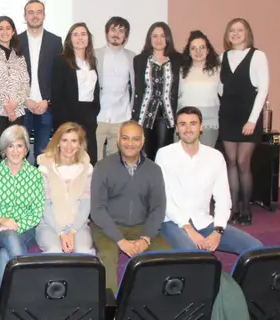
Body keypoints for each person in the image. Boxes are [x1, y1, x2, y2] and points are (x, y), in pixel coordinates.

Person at [156, 106, 263, 253]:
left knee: (255, 248)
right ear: (177, 129)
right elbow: (163, 199)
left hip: (204, 223)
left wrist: (218, 231)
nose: (188, 129)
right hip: (173, 223)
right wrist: (189, 230)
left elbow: (223, 198)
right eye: (182, 124)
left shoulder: (215, 156)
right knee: (194, 253)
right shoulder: (164, 154)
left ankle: (233, 277)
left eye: (193, 124)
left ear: (201, 128)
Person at [90, 120, 171, 292]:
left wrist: (146, 237)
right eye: (125, 138)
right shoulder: (103, 166)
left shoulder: (154, 169)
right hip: (108, 227)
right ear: (118, 140)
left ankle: (157, 303)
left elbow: (158, 207)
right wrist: (120, 240)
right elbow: (97, 209)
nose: (130, 143)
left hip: (142, 226)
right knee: (107, 256)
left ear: (142, 141)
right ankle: (108, 307)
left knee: (166, 255)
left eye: (135, 139)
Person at [219, 18, 269, 225]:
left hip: (249, 117)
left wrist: (252, 120)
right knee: (230, 162)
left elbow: (263, 90)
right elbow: (220, 89)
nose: (236, 33)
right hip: (228, 116)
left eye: (240, 30)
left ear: (247, 33)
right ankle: (233, 209)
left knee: (242, 163)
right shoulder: (222, 57)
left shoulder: (257, 55)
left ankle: (246, 208)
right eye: (232, 30)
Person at [0, 124, 43, 294]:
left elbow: (37, 211)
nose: (15, 151)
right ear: (4, 149)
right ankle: (27, 290)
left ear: (26, 149)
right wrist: (3, 220)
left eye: (19, 145)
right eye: (10, 146)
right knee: (9, 236)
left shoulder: (35, 175)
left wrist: (18, 225)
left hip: (26, 231)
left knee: (5, 253)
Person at [35, 122, 94, 255]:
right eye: (64, 140)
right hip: (49, 225)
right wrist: (61, 233)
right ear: (58, 143)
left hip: (78, 226)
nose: (69, 146)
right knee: (54, 252)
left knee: (84, 252)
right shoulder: (44, 168)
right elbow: (45, 206)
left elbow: (85, 204)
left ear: (79, 144)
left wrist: (72, 232)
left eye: (74, 141)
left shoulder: (87, 169)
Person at [18, 0, 63, 158]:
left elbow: (58, 76)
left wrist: (47, 100)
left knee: (43, 155)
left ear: (44, 15)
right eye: (30, 12)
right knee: (19, 153)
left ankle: (42, 184)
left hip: (46, 107)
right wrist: (25, 99)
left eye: (39, 12)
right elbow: (12, 76)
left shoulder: (55, 41)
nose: (35, 16)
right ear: (25, 16)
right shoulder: (16, 41)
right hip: (23, 106)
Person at [0, 15, 30, 164]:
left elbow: (25, 83)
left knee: (16, 153)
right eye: (0, 28)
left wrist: (16, 103)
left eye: (8, 28)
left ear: (13, 31)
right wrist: (7, 106)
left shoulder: (19, 56)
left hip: (17, 111)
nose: (4, 31)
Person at [50, 22, 100, 164]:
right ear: (69, 39)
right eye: (75, 34)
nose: (80, 38)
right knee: (68, 159)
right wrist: (63, 123)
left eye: (83, 34)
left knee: (89, 160)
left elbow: (95, 90)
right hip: (68, 118)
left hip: (89, 118)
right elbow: (57, 94)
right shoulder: (61, 60)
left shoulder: (92, 62)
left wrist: (93, 112)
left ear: (89, 38)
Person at [131, 22, 181, 160]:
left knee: (163, 155)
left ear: (168, 38)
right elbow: (136, 88)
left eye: (162, 36)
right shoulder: (140, 60)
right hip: (145, 114)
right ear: (149, 38)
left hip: (167, 115)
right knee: (144, 155)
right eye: (155, 36)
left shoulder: (178, 60)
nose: (159, 40)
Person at [95, 16, 135, 160]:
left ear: (126, 36)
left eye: (121, 31)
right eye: (113, 30)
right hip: (98, 117)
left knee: (115, 162)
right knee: (95, 160)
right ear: (106, 33)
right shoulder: (94, 55)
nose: (116, 34)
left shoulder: (132, 57)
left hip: (121, 117)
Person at [178, 30, 221, 147]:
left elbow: (225, 94)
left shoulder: (218, 70)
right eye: (194, 48)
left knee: (205, 161)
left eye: (202, 47)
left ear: (207, 51)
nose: (198, 51)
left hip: (209, 123)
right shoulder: (181, 71)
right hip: (184, 123)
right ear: (189, 52)